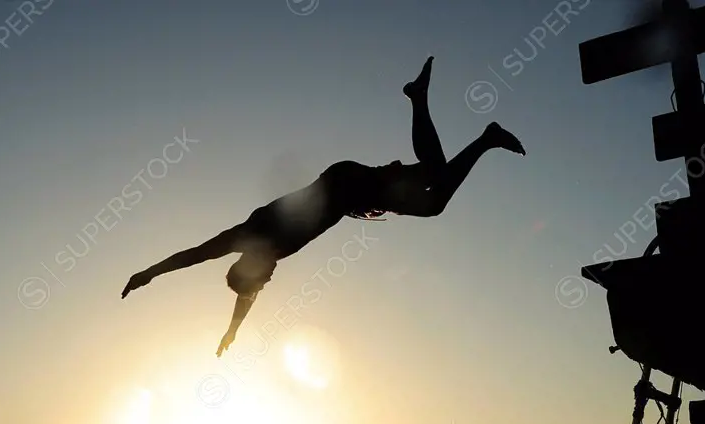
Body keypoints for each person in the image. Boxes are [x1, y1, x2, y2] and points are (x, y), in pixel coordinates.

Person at [121, 56, 525, 356]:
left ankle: (423, 101)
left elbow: (194, 255)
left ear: (250, 267)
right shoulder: (267, 258)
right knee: (435, 190)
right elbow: (246, 299)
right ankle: (482, 136)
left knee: (435, 187)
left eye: (261, 280)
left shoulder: (247, 236)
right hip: (351, 193)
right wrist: (233, 332)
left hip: (345, 185)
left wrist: (149, 273)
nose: (268, 283)